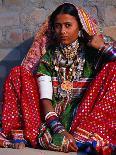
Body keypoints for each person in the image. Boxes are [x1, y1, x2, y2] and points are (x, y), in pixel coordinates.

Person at [0, 2, 116, 154]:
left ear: (80, 27)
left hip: (83, 120)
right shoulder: (49, 56)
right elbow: (45, 100)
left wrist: (103, 48)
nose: (62, 31)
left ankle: (84, 139)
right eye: (58, 26)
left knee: (113, 68)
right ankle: (28, 135)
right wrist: (59, 130)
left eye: (68, 25)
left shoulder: (93, 54)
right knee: (18, 73)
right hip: (51, 121)